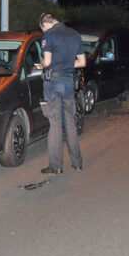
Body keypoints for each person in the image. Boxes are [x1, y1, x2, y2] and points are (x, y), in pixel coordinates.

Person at [38, 13, 86, 175]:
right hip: (68, 82)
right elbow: (82, 62)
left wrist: (40, 65)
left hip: (53, 83)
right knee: (70, 123)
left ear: (45, 25)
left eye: (42, 29)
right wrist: (66, 63)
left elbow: (47, 61)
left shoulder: (49, 34)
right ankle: (77, 163)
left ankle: (56, 166)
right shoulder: (75, 34)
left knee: (55, 124)